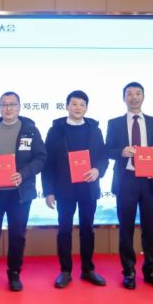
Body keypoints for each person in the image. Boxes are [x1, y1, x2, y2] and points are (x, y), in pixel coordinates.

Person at [0, 91, 47, 291]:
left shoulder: (30, 130)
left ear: (19, 107)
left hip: (20, 193)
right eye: (4, 104)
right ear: (0, 108)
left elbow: (41, 157)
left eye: (12, 104)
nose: (8, 108)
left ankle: (14, 274)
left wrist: (23, 174)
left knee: (17, 235)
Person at [105, 81, 153, 290]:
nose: (134, 97)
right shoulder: (114, 123)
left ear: (143, 96)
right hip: (126, 180)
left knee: (150, 229)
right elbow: (106, 150)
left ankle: (151, 271)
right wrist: (121, 152)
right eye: (130, 94)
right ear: (123, 98)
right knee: (126, 229)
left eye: (137, 93)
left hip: (150, 180)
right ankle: (129, 272)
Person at [42, 90, 108, 288]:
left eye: (82, 104)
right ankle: (65, 271)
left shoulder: (94, 130)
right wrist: (48, 191)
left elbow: (103, 156)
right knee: (64, 230)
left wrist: (98, 170)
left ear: (86, 108)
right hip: (64, 189)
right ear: (67, 106)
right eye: (74, 104)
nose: (78, 107)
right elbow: (47, 162)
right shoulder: (56, 130)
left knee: (87, 229)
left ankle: (88, 270)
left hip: (88, 187)